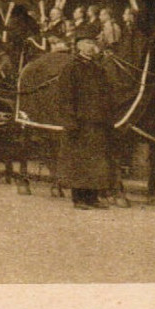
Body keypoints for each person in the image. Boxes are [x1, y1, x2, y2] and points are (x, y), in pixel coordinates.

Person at [57, 30, 116, 210]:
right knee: (80, 161)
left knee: (96, 161)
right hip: (80, 123)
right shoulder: (71, 67)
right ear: (79, 45)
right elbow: (65, 96)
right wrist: (70, 121)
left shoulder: (99, 69)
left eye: (93, 43)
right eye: (87, 43)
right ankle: (78, 198)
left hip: (97, 122)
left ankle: (93, 197)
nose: (91, 46)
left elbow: (107, 95)